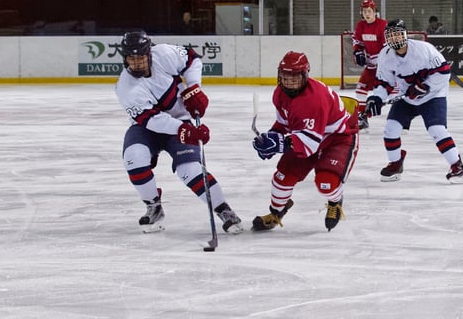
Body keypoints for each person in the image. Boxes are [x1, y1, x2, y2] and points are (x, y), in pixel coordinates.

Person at [115, 31, 242, 234]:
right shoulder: (126, 87)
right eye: (132, 58)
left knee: (189, 170)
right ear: (125, 58)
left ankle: (223, 209)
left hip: (180, 119)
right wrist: (184, 130)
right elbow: (151, 120)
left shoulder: (163, 54)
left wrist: (194, 89)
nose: (137, 63)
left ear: (149, 53)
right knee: (134, 158)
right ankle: (153, 206)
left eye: (140, 57)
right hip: (146, 127)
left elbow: (192, 59)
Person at [251, 51, 359, 232]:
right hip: (306, 137)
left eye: (294, 77)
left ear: (305, 75)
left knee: (326, 183)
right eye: (285, 76)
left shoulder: (314, 99)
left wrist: (278, 143)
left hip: (338, 138)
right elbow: (284, 123)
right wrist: (269, 138)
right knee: (281, 179)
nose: (289, 81)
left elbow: (309, 145)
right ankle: (276, 213)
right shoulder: (279, 94)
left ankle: (335, 201)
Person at [366, 19, 463, 184]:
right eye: (391, 36)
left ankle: (457, 166)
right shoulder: (385, 56)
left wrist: (424, 87)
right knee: (390, 129)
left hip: (433, 96)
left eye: (398, 34)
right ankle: (396, 163)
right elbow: (383, 83)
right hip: (407, 97)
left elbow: (443, 73)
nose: (395, 39)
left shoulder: (423, 49)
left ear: (405, 34)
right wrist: (376, 98)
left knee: (437, 130)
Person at [351, 0, 388, 131]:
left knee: (388, 92)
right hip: (371, 66)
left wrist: (381, 61)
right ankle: (363, 117)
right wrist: (357, 52)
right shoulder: (361, 25)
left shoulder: (383, 25)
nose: (367, 14)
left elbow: (387, 47)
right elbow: (358, 42)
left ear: (374, 11)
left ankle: (401, 119)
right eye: (365, 11)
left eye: (369, 11)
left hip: (384, 67)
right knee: (360, 89)